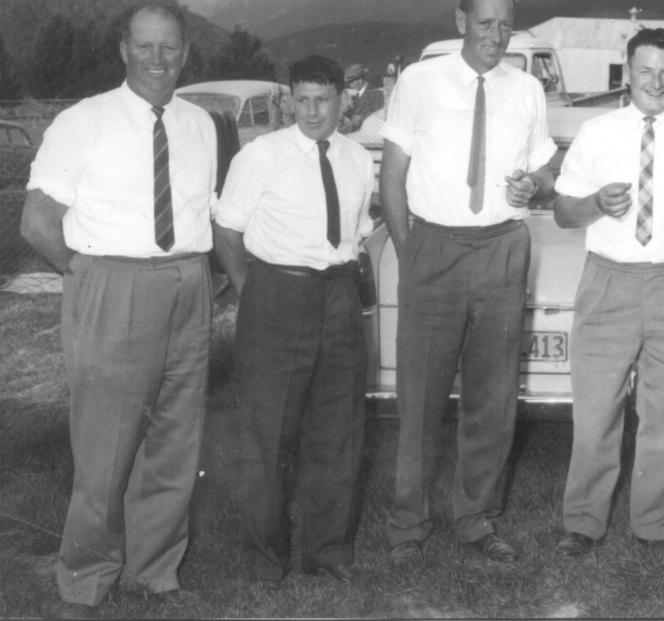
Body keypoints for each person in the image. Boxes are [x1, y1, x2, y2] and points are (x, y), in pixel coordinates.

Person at [19, 1, 217, 616]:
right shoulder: (84, 121)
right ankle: (85, 579)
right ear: (122, 49)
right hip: (111, 282)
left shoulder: (202, 124)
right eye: (145, 46)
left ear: (185, 53)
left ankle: (154, 569)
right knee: (104, 449)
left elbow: (199, 212)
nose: (158, 60)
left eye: (170, 48)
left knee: (174, 440)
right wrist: (88, 276)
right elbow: (36, 222)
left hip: (188, 281)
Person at [379, 0, 556, 565]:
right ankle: (408, 523)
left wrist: (536, 184)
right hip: (434, 248)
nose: (496, 36)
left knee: (493, 396)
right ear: (461, 22)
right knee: (420, 397)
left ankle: (476, 517)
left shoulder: (526, 89)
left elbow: (548, 172)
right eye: (486, 24)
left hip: (503, 247)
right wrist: (412, 255)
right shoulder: (418, 81)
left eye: (506, 25)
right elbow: (392, 177)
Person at [552, 27, 664, 558]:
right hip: (609, 278)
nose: (656, 82)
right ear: (626, 71)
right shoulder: (596, 132)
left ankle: (652, 523)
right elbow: (564, 213)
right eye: (645, 70)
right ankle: (583, 521)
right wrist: (594, 205)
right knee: (595, 410)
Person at [212, 55, 374, 587]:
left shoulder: (356, 159)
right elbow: (228, 233)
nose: (311, 110)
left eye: (322, 99)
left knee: (338, 431)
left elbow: (356, 234)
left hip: (340, 298)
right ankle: (265, 557)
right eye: (301, 99)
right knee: (267, 435)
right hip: (276, 296)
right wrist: (253, 292)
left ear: (341, 101)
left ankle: (328, 550)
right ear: (288, 100)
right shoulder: (260, 156)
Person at [338, 63, 385, 134]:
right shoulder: (355, 95)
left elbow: (375, 115)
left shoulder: (375, 93)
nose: (350, 86)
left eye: (352, 82)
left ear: (360, 80)